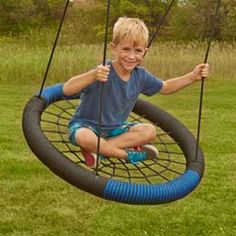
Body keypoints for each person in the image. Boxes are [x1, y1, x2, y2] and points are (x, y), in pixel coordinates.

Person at [63, 17, 209, 168]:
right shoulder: (103, 71)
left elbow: (165, 87)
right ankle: (126, 155)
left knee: (149, 131)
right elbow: (67, 89)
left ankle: (99, 150)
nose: (131, 56)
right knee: (85, 137)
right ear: (114, 48)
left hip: (115, 130)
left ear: (145, 52)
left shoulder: (141, 76)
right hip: (86, 126)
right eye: (126, 49)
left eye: (138, 51)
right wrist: (92, 75)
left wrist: (192, 77)